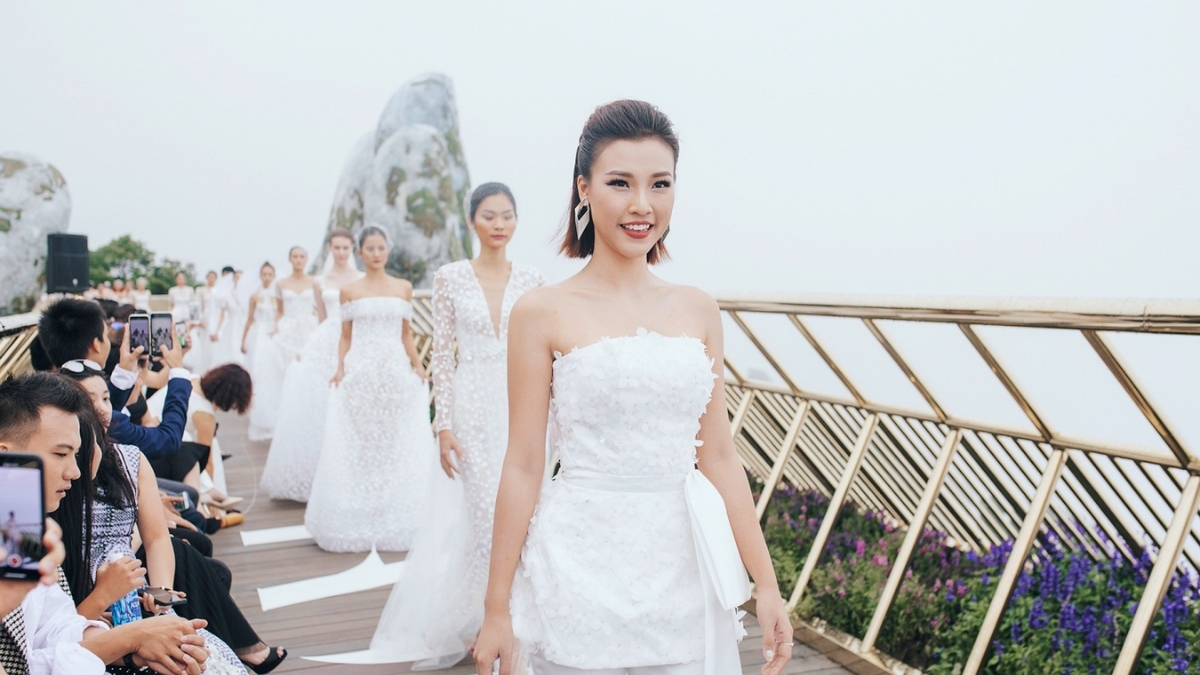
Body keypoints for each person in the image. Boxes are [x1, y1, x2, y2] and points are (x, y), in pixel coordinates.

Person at [472, 101, 793, 675]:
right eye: (620, 182)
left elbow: (718, 455)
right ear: (584, 190)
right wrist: (496, 609)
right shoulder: (540, 311)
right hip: (576, 569)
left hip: (683, 571)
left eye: (660, 184)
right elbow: (524, 462)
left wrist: (765, 584)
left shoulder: (698, 309)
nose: (642, 205)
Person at [335, 184, 544, 667]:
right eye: (489, 215)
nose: (499, 224)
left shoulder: (533, 277)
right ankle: (488, 618)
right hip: (470, 403)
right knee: (482, 513)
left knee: (525, 513)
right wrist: (443, 425)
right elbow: (443, 357)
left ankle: (517, 618)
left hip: (520, 401)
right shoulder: (450, 277)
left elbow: (542, 350)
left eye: (507, 215)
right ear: (472, 221)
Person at [56, 364, 285, 673]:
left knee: (192, 557)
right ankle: (246, 647)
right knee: (197, 554)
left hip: (131, 591)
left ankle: (238, 647)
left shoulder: (127, 458)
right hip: (92, 605)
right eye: (89, 400)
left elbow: (156, 536)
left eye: (107, 398)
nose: (100, 409)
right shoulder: (56, 484)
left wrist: (158, 594)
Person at [0, 373, 212, 675]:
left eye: (76, 453)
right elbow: (24, 664)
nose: (74, 471)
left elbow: (58, 628)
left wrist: (138, 645)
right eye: (61, 454)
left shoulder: (19, 520)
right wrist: (133, 639)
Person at [303, 226, 433, 552]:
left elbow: (406, 334)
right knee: (362, 437)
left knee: (393, 438)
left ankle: (393, 504)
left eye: (381, 248)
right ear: (361, 252)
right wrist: (340, 367)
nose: (376, 253)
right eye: (370, 248)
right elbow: (345, 335)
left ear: (388, 251)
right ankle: (360, 505)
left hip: (393, 371)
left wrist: (417, 365)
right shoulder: (349, 290)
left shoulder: (403, 287)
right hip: (361, 372)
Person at [261, 230, 362, 501]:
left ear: (351, 249)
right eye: (336, 247)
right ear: (330, 248)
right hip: (327, 339)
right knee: (318, 400)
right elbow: (322, 318)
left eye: (345, 247)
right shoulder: (320, 281)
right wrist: (308, 349)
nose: (341, 252)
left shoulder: (360, 278)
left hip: (353, 337)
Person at [146, 364, 252, 513]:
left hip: (146, 419)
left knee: (193, 440)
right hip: (158, 436)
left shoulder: (192, 378)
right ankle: (211, 496)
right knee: (202, 447)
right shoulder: (204, 413)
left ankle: (212, 494)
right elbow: (206, 459)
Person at [241, 263, 283, 441]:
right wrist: (243, 340)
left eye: (270, 274)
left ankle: (275, 412)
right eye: (264, 274)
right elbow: (249, 319)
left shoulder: (278, 296)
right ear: (260, 276)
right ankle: (259, 411)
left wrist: (278, 328)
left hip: (274, 334)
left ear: (273, 276)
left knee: (275, 372)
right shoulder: (254, 296)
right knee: (258, 371)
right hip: (258, 336)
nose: (267, 277)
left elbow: (282, 314)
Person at [208, 268, 243, 369]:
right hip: (231, 325)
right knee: (230, 347)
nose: (238, 280)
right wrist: (216, 330)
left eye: (241, 278)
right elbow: (222, 315)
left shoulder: (247, 296)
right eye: (237, 277)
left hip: (243, 324)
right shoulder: (227, 295)